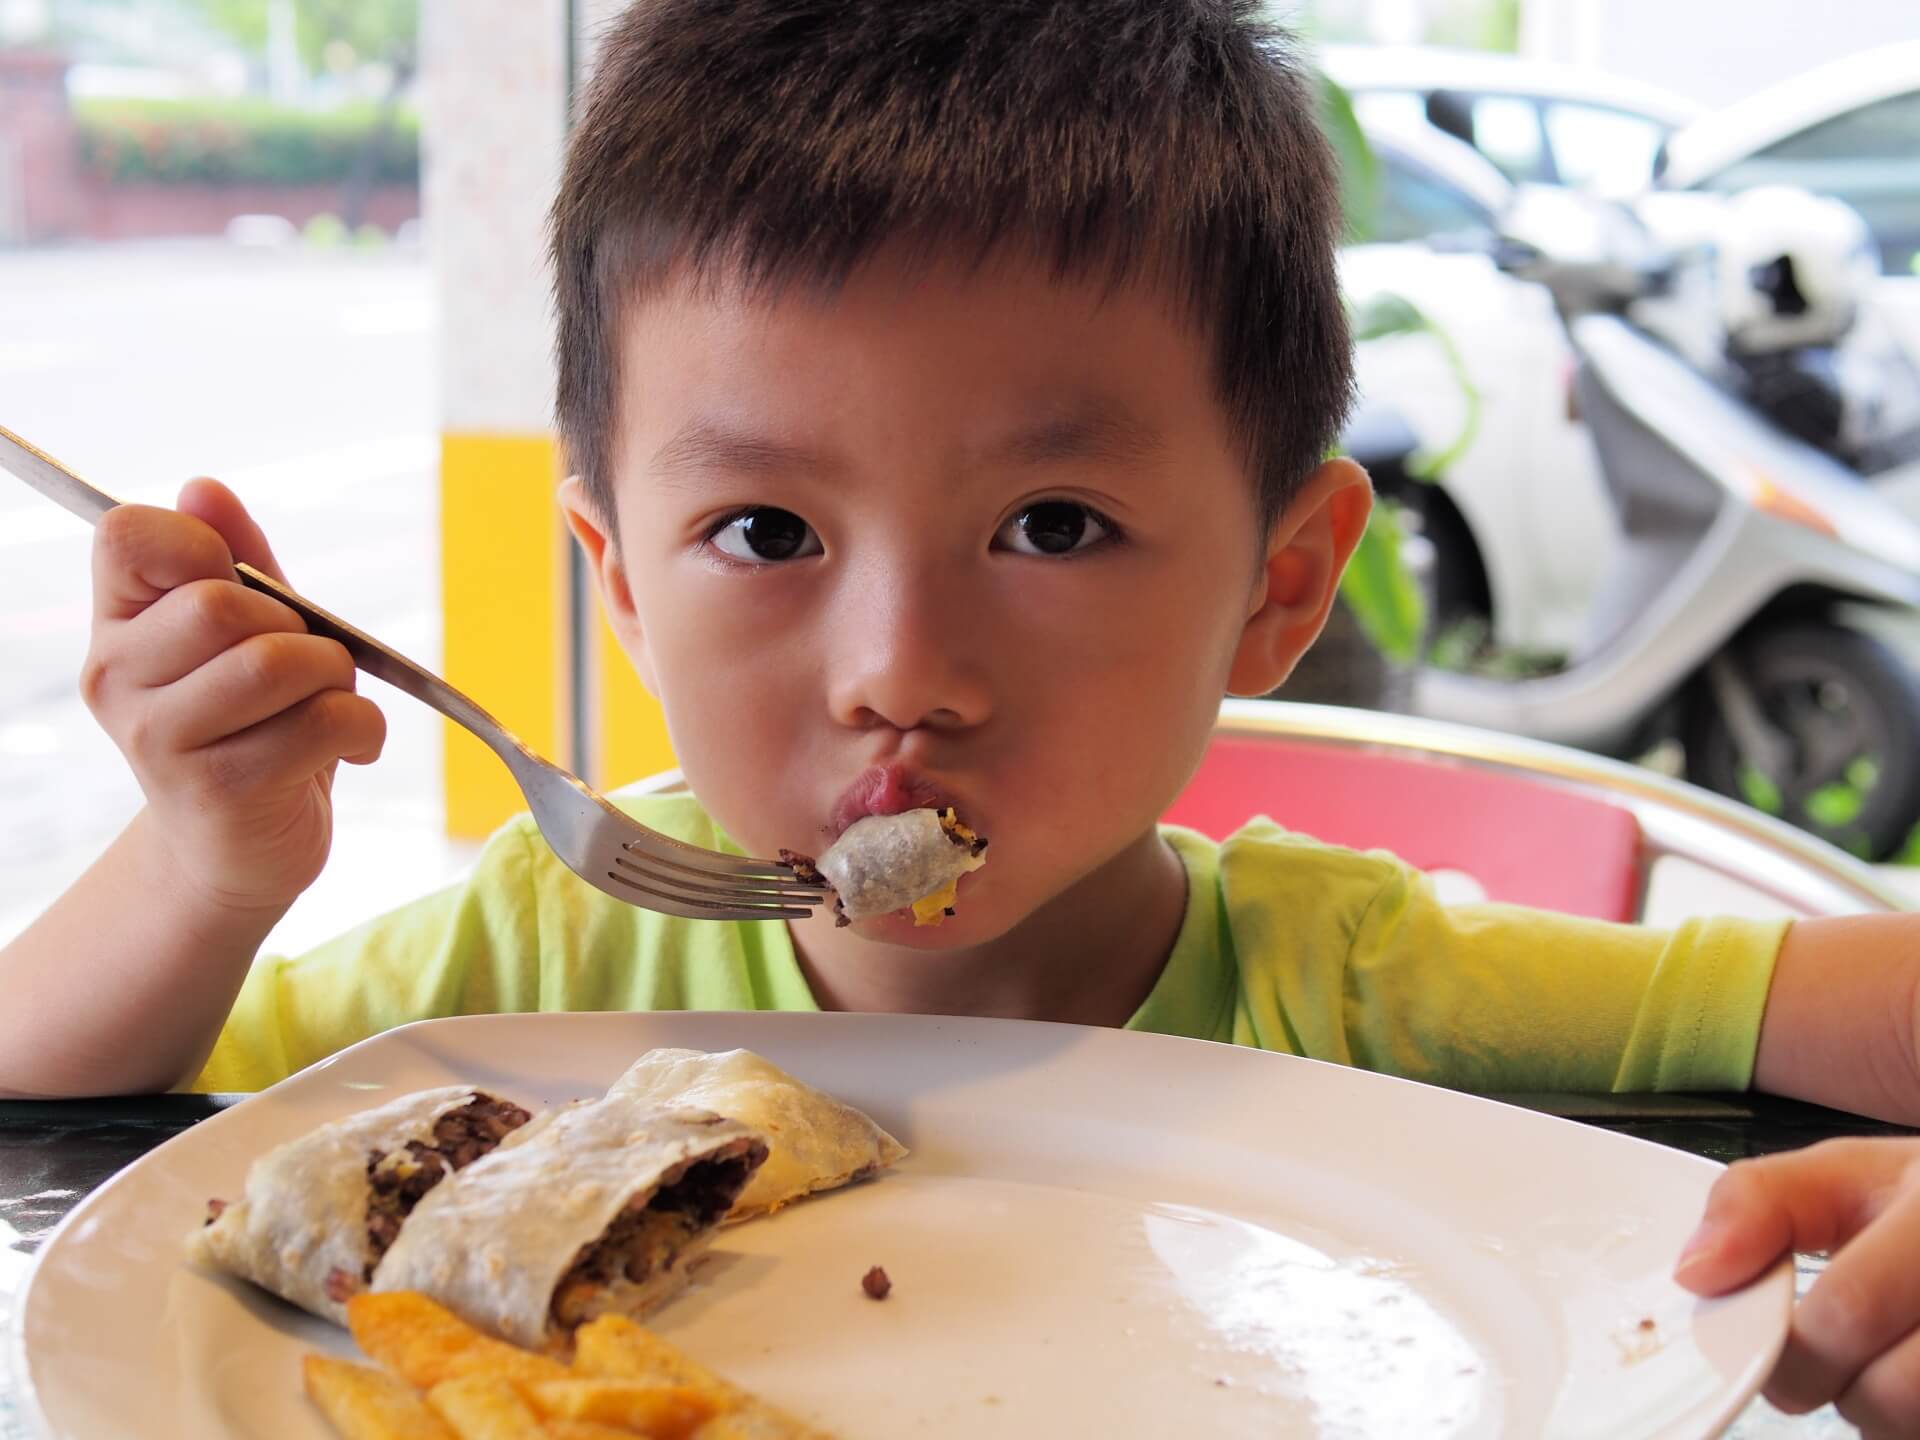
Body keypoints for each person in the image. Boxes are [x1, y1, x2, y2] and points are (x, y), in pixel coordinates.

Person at [3, 1, 1918, 1426]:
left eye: (1052, 524)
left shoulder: (1347, 987)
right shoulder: (534, 954)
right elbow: (57, 1126)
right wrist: (202, 869)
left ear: (1280, 580)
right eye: (764, 527)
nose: (899, 666)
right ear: (616, 580)